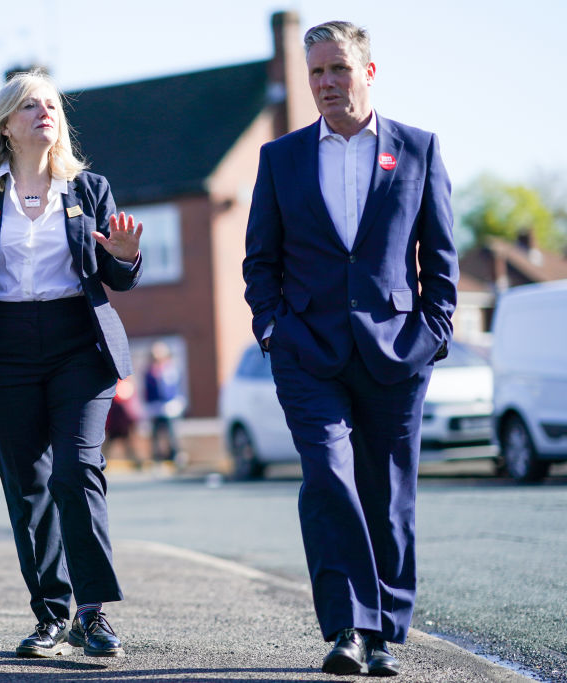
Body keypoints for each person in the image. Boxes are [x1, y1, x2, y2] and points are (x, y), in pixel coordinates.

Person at [242, 20, 458, 677]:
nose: (327, 83)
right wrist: (274, 330)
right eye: (316, 73)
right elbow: (261, 261)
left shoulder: (417, 150)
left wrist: (433, 334)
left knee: (388, 494)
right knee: (329, 478)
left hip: (397, 351)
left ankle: (386, 633)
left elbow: (441, 260)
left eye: (338, 69)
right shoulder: (280, 158)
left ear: (368, 71)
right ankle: (346, 627)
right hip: (307, 351)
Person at [0, 70, 143, 659]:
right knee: (29, 486)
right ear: (4, 126)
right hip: (0, 351)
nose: (43, 112)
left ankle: (92, 614)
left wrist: (127, 258)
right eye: (28, 106)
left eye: (50, 104)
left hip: (79, 344)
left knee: (75, 471)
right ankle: (50, 615)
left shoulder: (90, 189)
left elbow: (114, 277)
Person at [143, 342, 183, 463]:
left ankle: (175, 456)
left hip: (169, 407)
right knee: (155, 435)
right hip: (155, 408)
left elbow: (170, 390)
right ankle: (157, 458)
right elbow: (147, 391)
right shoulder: (149, 372)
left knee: (171, 434)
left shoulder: (170, 370)